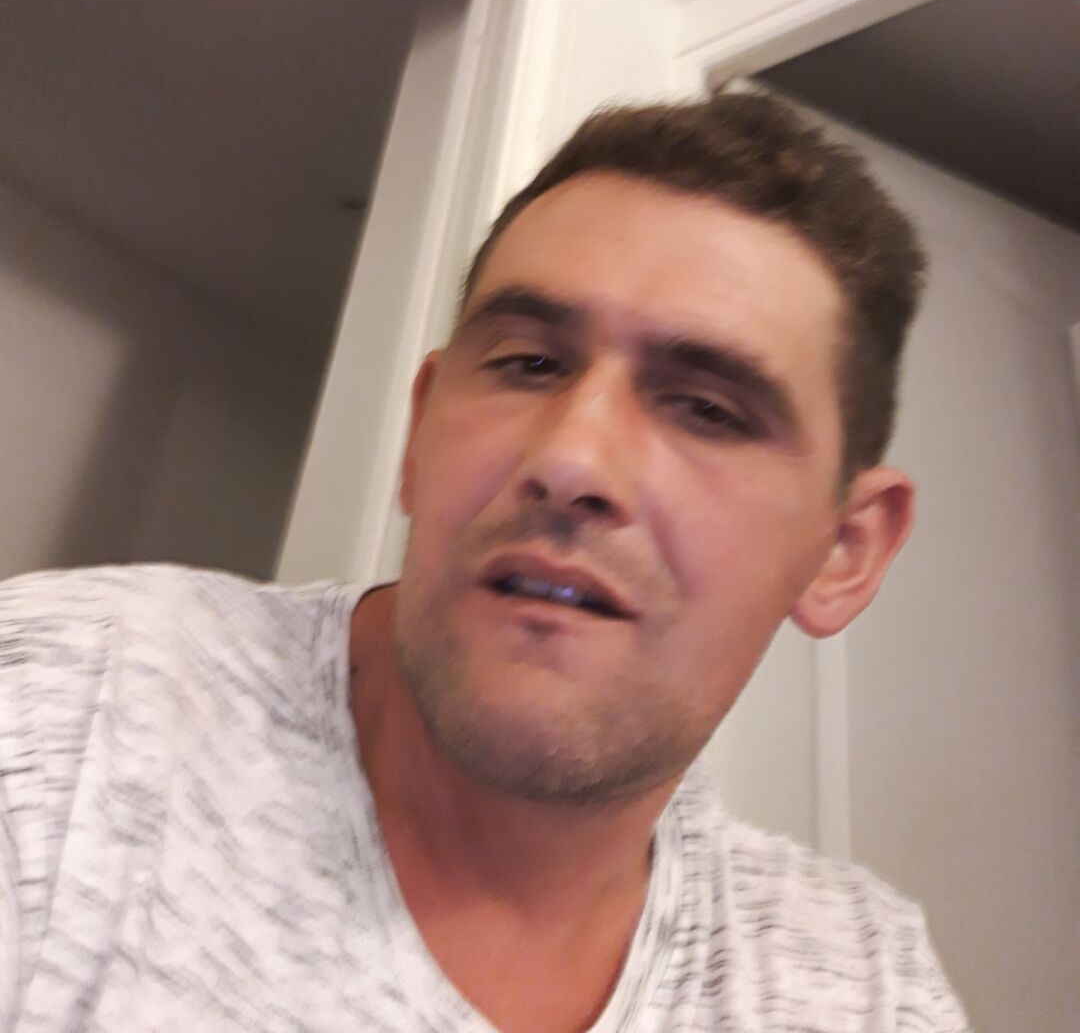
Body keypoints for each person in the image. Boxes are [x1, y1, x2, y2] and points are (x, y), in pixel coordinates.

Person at [0, 91, 969, 1032]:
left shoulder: (862, 985)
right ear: (419, 433)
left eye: (707, 411)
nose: (570, 459)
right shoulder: (65, 709)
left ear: (844, 551)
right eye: (528, 364)